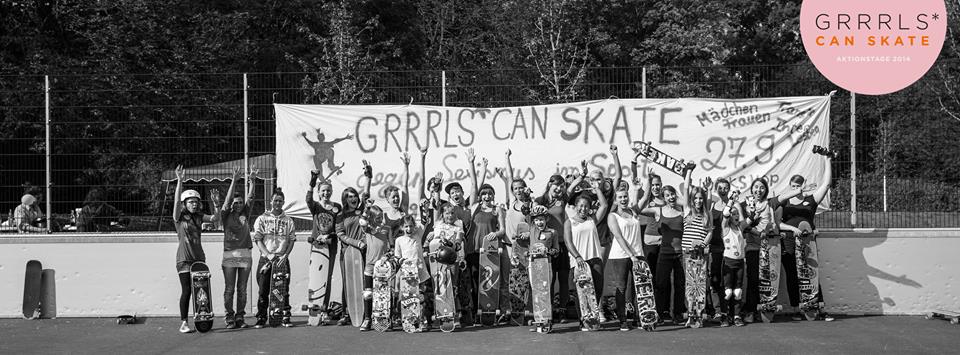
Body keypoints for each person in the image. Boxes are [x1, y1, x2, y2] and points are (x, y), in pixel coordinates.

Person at [772, 173, 834, 322]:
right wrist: (792, 229)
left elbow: (826, 184)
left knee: (811, 274)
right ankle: (796, 308)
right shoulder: (784, 202)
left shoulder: (811, 200)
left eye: (798, 186)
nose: (795, 189)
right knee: (792, 275)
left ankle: (818, 308)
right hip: (788, 241)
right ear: (790, 186)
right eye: (792, 186)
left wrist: (828, 159)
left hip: (807, 242)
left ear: (803, 186)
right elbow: (777, 223)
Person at [638, 166, 692, 325]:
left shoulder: (683, 212)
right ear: (663, 197)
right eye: (667, 195)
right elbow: (639, 208)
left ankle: (677, 314)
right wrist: (647, 182)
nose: (671, 197)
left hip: (680, 254)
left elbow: (687, 190)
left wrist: (688, 173)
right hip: (664, 253)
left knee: (680, 285)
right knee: (661, 284)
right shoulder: (657, 211)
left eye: (673, 194)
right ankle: (659, 315)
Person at [172, 165, 222, 334]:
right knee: (187, 290)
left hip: (199, 260)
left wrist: (216, 204)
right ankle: (184, 322)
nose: (194, 204)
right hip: (184, 260)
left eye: (196, 201)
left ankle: (202, 317)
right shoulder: (179, 218)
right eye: (190, 202)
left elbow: (216, 219)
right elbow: (176, 203)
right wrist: (179, 180)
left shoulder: (200, 216)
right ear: (185, 204)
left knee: (201, 290)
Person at [563, 179, 608, 331]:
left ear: (590, 208)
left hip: (595, 259)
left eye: (586, 206)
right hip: (578, 262)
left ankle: (594, 319)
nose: (583, 208)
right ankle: (583, 321)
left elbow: (604, 205)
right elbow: (568, 242)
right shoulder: (569, 222)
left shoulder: (592, 219)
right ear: (575, 207)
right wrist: (577, 257)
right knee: (580, 294)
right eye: (580, 206)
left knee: (597, 290)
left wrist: (597, 189)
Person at [335, 161, 373, 327]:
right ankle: (345, 313)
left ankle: (366, 313)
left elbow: (366, 192)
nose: (353, 198)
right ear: (345, 199)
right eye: (349, 196)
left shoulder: (362, 209)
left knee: (364, 283)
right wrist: (356, 243)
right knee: (348, 282)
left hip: (364, 251)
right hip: (348, 253)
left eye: (354, 196)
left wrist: (367, 175)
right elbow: (340, 234)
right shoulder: (341, 215)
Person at [252, 188, 297, 328]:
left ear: (283, 202)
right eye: (275, 200)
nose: (277, 203)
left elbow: (291, 240)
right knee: (263, 291)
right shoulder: (262, 218)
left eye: (280, 201)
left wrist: (285, 255)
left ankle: (285, 317)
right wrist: (268, 254)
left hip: (282, 260)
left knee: (283, 290)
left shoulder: (288, 220)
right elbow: (258, 240)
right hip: (266, 259)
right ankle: (261, 317)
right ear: (270, 201)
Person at [218, 167, 256, 329]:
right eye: (236, 203)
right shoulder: (226, 214)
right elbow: (226, 202)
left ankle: (240, 317)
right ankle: (229, 317)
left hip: (245, 254)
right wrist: (234, 180)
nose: (239, 204)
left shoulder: (245, 213)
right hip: (229, 255)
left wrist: (252, 181)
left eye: (240, 202)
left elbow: (251, 198)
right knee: (229, 289)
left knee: (242, 289)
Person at [534, 173, 574, 323]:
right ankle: (548, 310)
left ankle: (562, 311)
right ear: (550, 184)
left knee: (563, 279)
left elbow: (574, 187)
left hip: (562, 244)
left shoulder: (563, 200)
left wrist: (581, 175)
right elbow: (532, 220)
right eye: (556, 184)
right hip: (545, 246)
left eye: (562, 185)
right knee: (548, 280)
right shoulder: (539, 201)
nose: (559, 188)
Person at [606, 183, 645, 331]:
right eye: (620, 197)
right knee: (621, 287)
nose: (623, 199)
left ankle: (638, 318)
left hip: (638, 254)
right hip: (620, 256)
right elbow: (619, 237)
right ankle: (623, 320)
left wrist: (642, 185)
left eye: (625, 196)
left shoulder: (634, 211)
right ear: (616, 200)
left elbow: (646, 197)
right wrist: (631, 256)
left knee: (640, 287)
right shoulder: (612, 216)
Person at [307, 167, 344, 324]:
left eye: (328, 191)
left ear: (332, 191)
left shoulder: (337, 208)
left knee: (326, 279)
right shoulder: (316, 206)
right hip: (316, 247)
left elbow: (339, 228)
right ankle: (313, 312)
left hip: (330, 246)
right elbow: (308, 199)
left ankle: (324, 312)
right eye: (323, 191)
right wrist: (313, 179)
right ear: (319, 192)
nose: (326, 193)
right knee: (315, 278)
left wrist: (329, 235)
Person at [740, 178, 774, 323]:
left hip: (769, 248)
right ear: (751, 189)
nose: (758, 190)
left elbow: (773, 224)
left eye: (761, 187)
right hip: (752, 248)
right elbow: (742, 226)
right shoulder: (744, 205)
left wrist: (771, 231)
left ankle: (766, 310)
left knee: (767, 280)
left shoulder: (770, 205)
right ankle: (750, 310)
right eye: (756, 187)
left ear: (766, 190)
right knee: (753, 279)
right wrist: (756, 231)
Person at [680, 178, 713, 328]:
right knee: (690, 285)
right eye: (696, 198)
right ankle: (690, 315)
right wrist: (689, 172)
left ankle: (700, 314)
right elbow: (686, 188)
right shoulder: (687, 210)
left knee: (700, 285)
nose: (698, 201)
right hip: (688, 254)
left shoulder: (707, 214)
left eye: (701, 198)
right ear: (692, 200)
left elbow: (710, 232)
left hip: (701, 253)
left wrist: (704, 243)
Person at [393, 215, 431, 330]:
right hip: (407, 275)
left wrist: (424, 208)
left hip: (420, 273)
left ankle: (423, 320)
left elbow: (425, 221)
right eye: (406, 227)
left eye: (410, 226)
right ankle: (409, 319)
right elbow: (397, 256)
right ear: (401, 227)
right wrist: (400, 260)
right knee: (408, 298)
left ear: (414, 227)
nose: (408, 229)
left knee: (421, 297)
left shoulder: (418, 235)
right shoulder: (399, 240)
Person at [358, 205, 393, 331]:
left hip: (383, 266)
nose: (380, 220)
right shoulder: (368, 229)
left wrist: (387, 256)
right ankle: (367, 319)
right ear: (371, 218)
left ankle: (384, 319)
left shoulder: (387, 229)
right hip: (370, 265)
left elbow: (391, 247)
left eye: (381, 217)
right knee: (368, 293)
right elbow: (361, 221)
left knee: (383, 293)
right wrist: (366, 209)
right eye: (377, 217)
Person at [704, 178, 732, 322]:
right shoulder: (713, 205)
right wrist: (708, 190)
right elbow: (706, 215)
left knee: (725, 280)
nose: (722, 190)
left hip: (729, 247)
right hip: (713, 247)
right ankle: (716, 310)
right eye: (720, 188)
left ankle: (727, 311)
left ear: (729, 188)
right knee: (713, 279)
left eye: (725, 188)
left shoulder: (733, 205)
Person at [720, 190, 747, 327]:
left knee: (737, 291)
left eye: (737, 214)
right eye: (733, 214)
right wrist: (731, 201)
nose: (735, 216)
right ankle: (725, 316)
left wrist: (752, 207)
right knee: (727, 291)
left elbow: (750, 218)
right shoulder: (725, 228)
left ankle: (736, 315)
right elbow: (725, 214)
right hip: (728, 262)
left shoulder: (741, 228)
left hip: (740, 262)